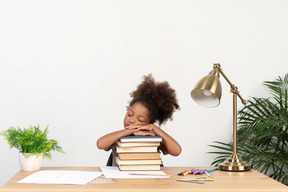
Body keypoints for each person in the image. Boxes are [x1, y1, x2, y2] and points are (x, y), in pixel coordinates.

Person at [97, 74, 181, 166]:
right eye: (130, 114)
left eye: (140, 120)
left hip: (147, 179)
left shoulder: (151, 139)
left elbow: (176, 151)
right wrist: (132, 130)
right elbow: (100, 144)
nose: (132, 120)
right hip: (121, 179)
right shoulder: (117, 137)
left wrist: (154, 128)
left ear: (148, 123)